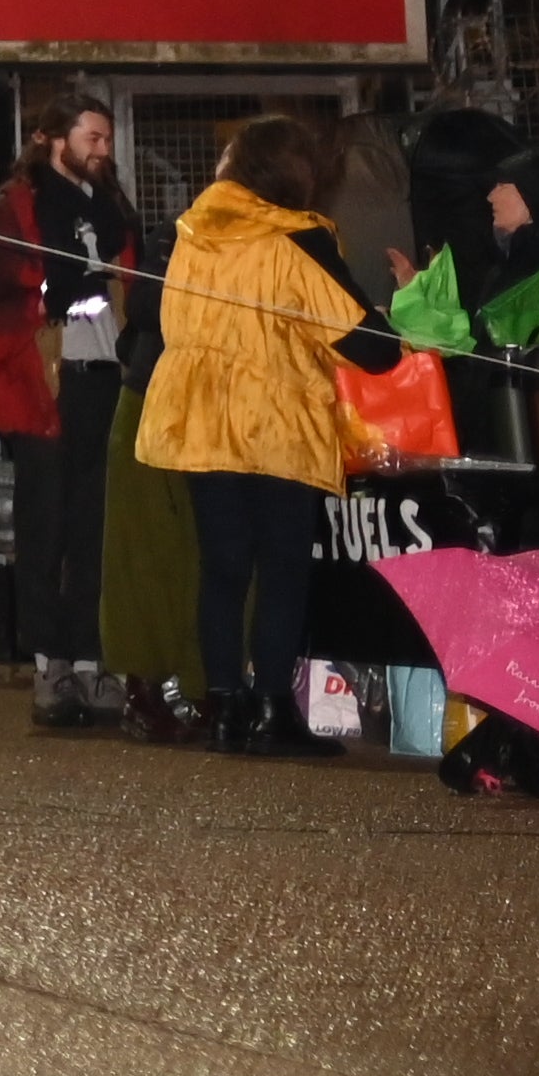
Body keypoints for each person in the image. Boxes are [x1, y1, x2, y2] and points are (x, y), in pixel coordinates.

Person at [136, 111, 403, 759]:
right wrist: (402, 318)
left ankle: (225, 707)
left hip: (199, 417)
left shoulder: (192, 232)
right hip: (275, 421)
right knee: (283, 571)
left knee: (222, 568)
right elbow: (367, 345)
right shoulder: (296, 239)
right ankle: (273, 712)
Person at [0, 98, 145, 720]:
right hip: (43, 387)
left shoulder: (114, 209)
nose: (103, 149)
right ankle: (51, 670)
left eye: (107, 138)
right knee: (45, 529)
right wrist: (47, 298)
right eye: (92, 137)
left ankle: (92, 662)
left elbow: (134, 286)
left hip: (104, 380)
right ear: (51, 140)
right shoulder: (12, 211)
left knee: (96, 529)